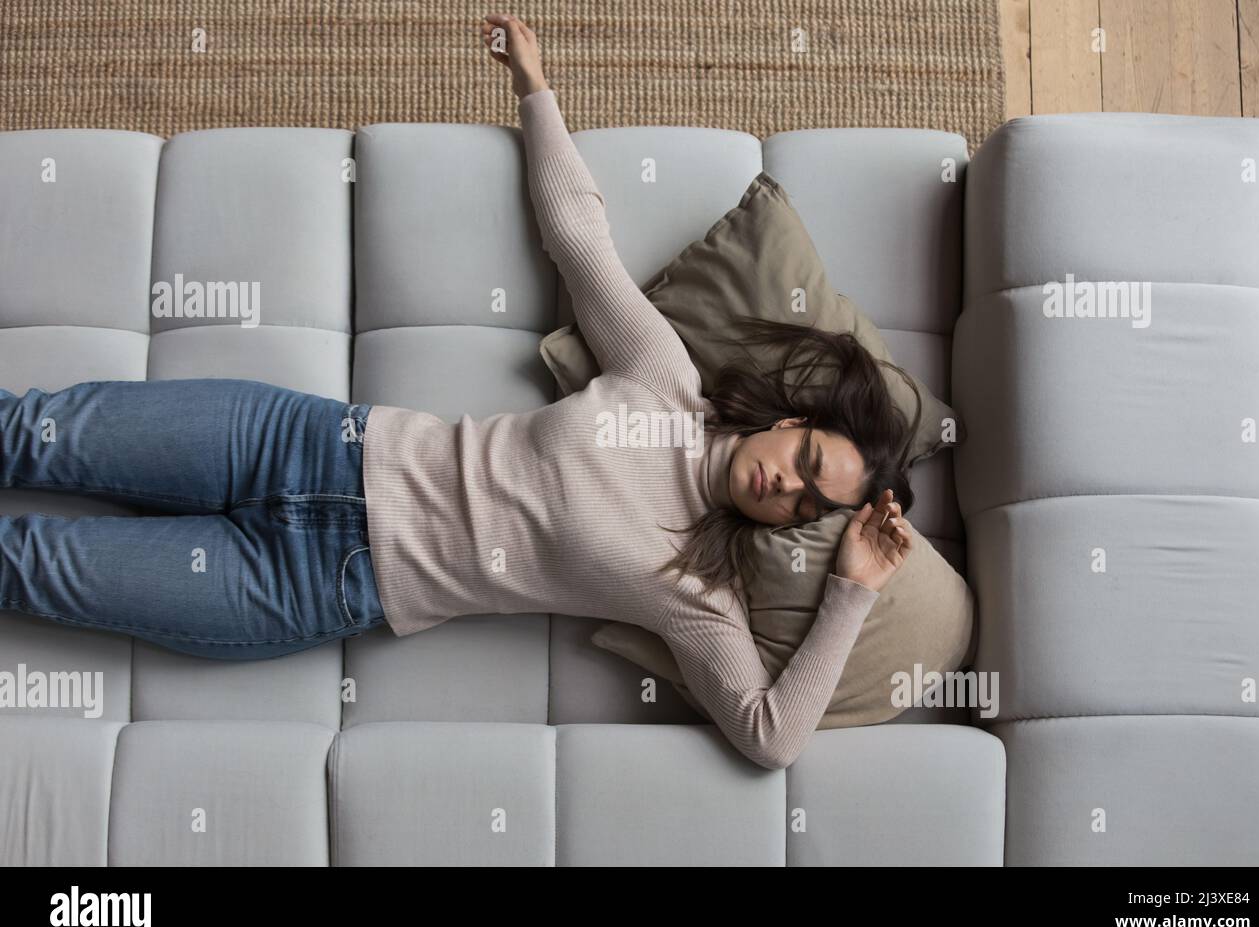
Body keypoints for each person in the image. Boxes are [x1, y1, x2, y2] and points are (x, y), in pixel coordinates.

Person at [0, 12, 916, 771]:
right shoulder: (664, 382)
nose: (785, 487)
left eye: (805, 503)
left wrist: (851, 591)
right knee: (36, 434)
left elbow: (772, 738)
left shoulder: (697, 593)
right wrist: (534, 89)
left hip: (316, 582)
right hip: (310, 443)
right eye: (804, 461)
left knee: (27, 567)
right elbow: (579, 239)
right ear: (793, 421)